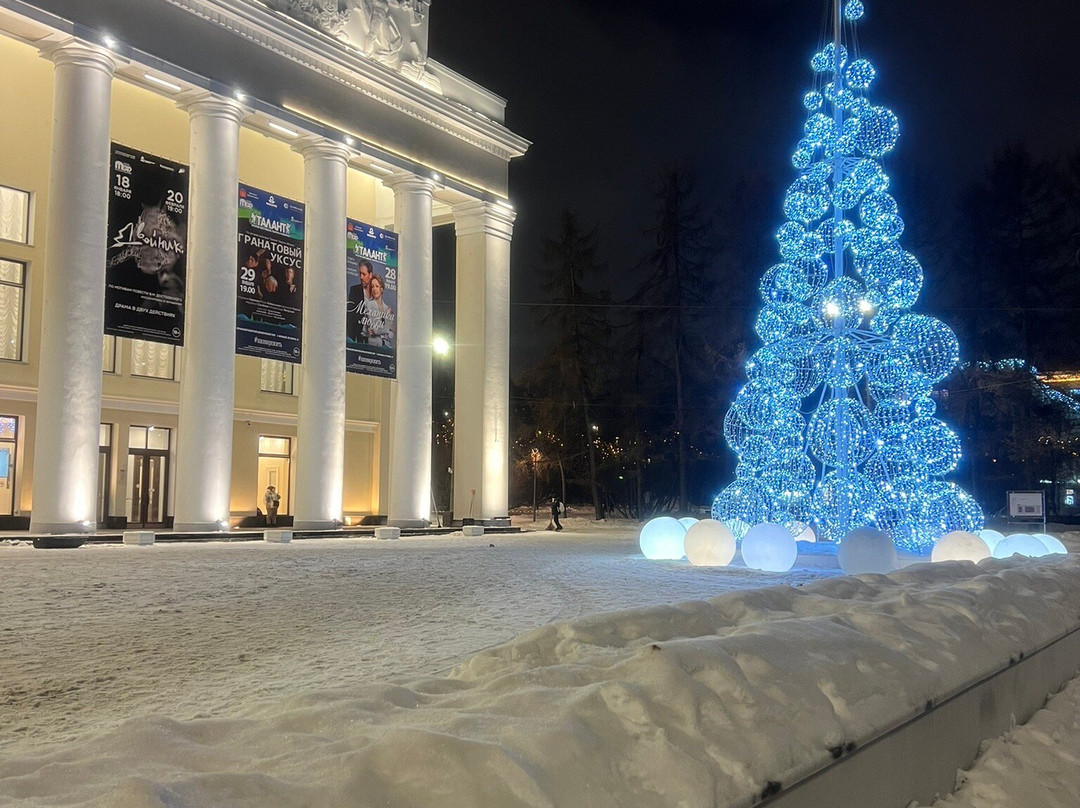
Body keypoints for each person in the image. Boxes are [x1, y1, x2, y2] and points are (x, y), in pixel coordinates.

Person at [362, 274, 395, 347]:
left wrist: (388, 330)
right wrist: (388, 329)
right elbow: (374, 329)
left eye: (377, 286)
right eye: (372, 286)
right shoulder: (369, 305)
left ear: (381, 289)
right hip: (373, 345)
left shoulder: (387, 308)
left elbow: (392, 334)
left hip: (386, 345)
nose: (374, 289)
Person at [347, 259, 375, 343]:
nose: (361, 277)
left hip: (373, 340)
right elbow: (350, 317)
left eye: (364, 274)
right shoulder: (355, 290)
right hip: (357, 339)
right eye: (360, 274)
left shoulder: (376, 294)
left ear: (370, 275)